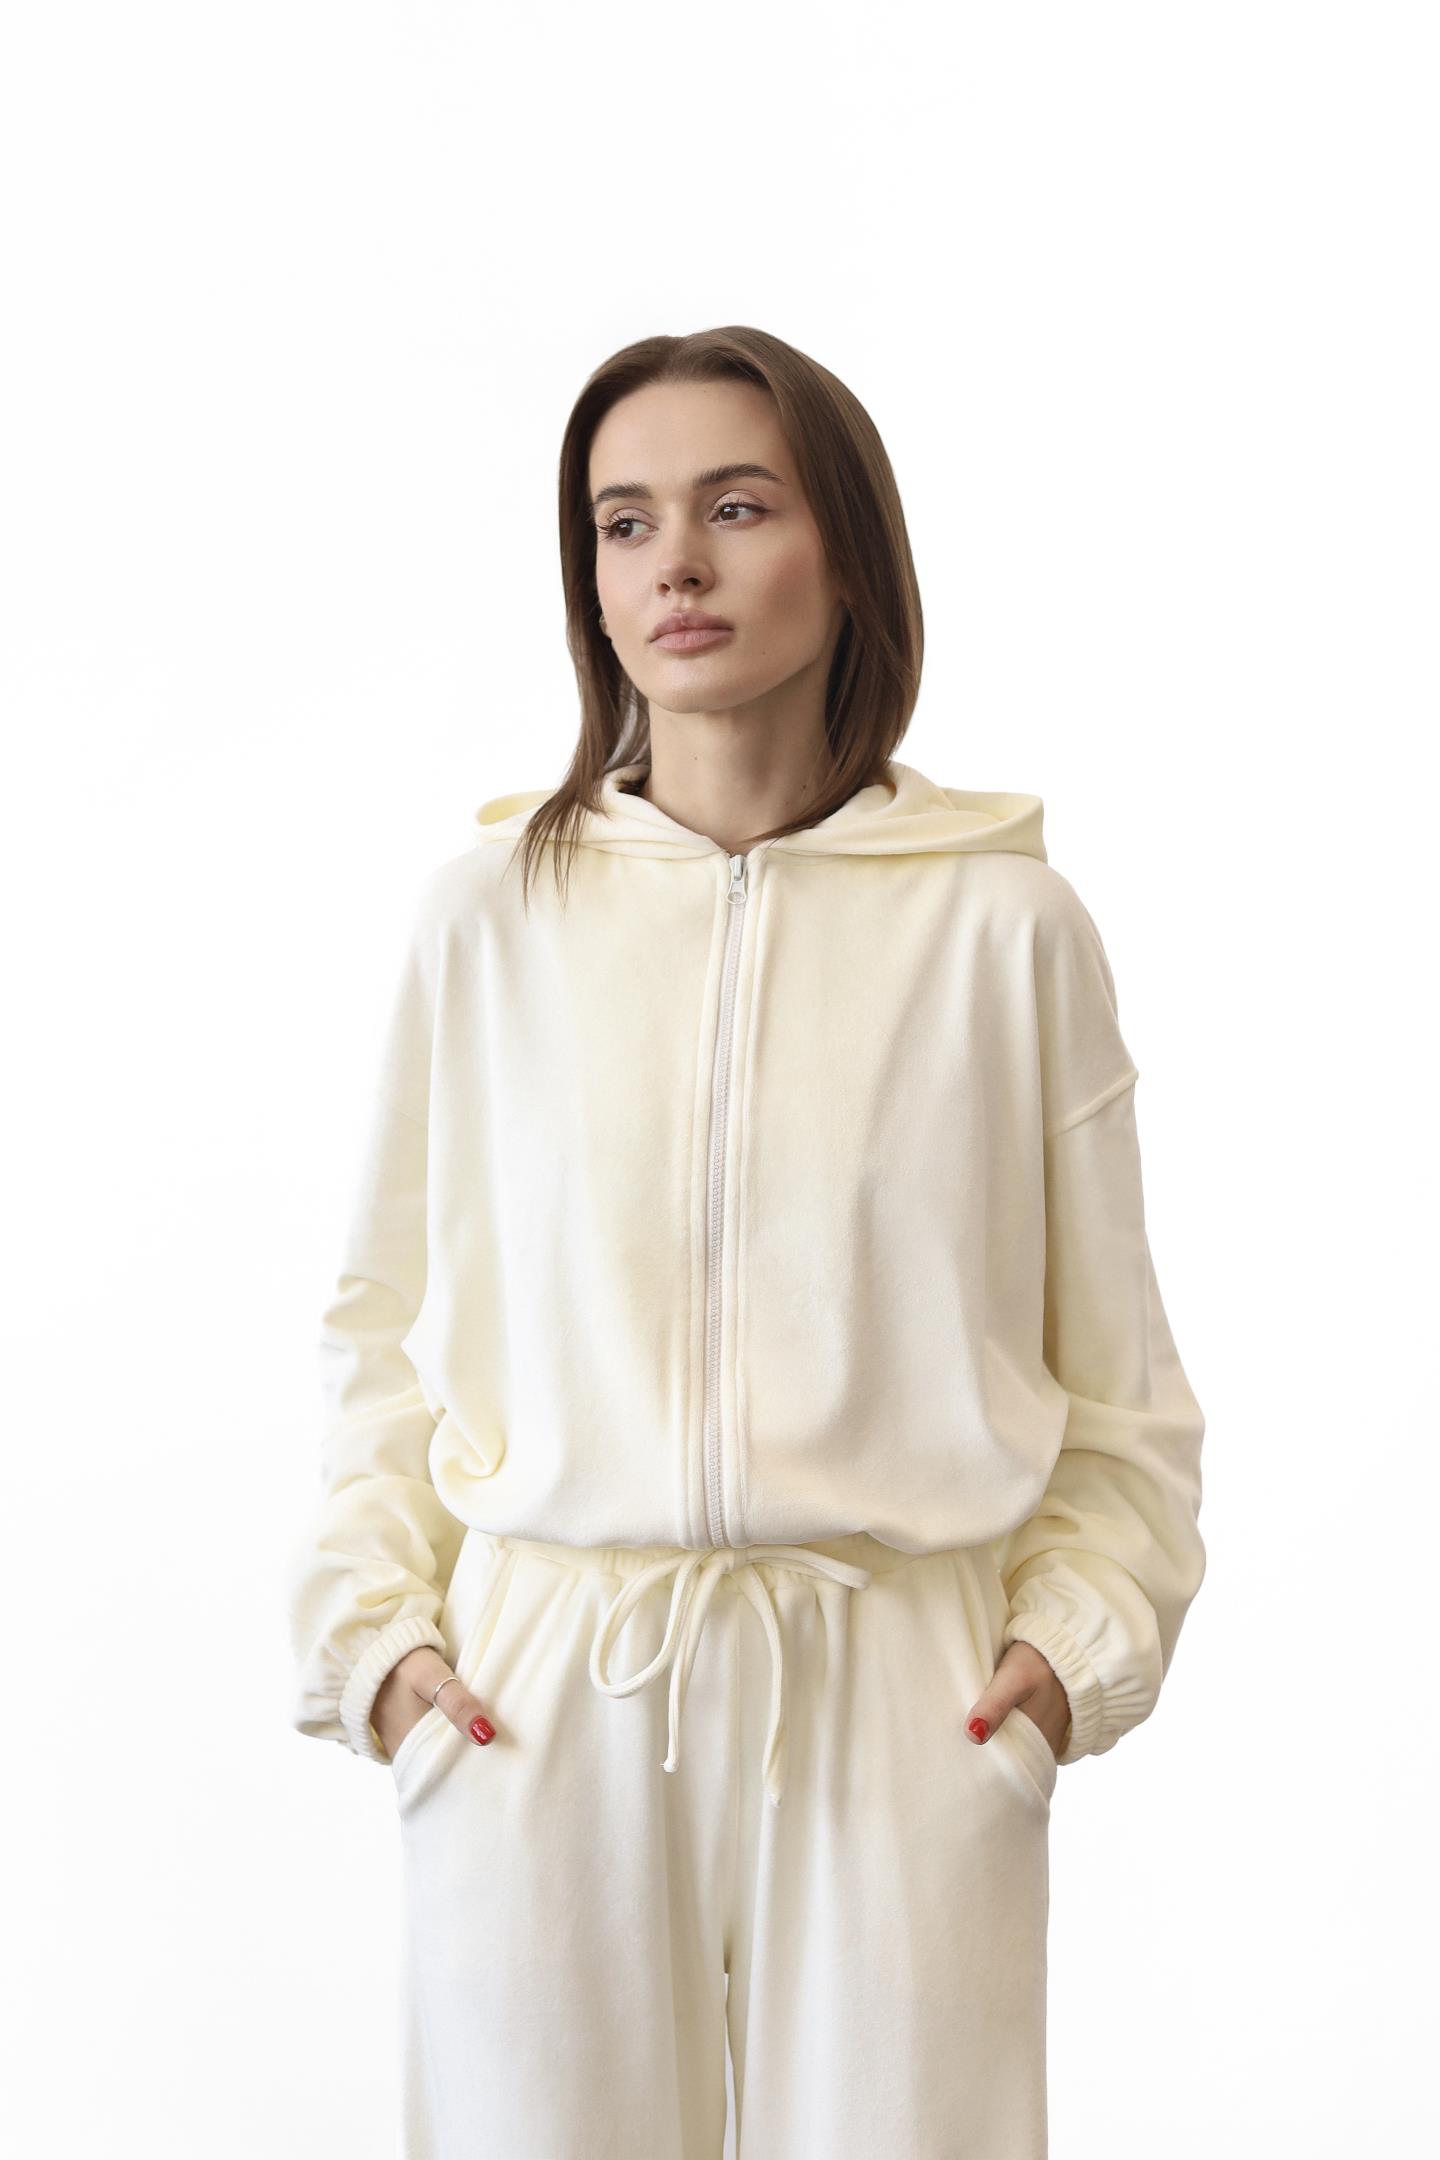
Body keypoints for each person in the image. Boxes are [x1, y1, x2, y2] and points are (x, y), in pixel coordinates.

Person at [285, 324, 1207, 2159]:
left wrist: (1069, 1652)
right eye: (624, 524)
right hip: (541, 1689)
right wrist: (378, 1646)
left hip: (898, 1687)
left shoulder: (1007, 930)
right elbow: (380, 1329)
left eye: (736, 507)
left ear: (847, 550)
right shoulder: (488, 921)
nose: (675, 568)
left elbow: (1117, 1379)